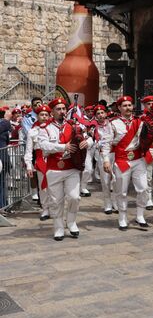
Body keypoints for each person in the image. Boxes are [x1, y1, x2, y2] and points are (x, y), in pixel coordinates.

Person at [38, 98, 92, 240]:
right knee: (56, 200)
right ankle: (58, 227)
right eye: (58, 109)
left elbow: (91, 137)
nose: (62, 111)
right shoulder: (45, 128)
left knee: (74, 197)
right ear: (52, 112)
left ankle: (72, 221)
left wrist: (87, 142)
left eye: (63, 109)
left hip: (71, 167)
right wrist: (63, 147)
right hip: (54, 169)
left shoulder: (74, 125)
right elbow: (43, 145)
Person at [101, 96, 153, 230]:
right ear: (119, 108)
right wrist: (106, 160)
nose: (128, 108)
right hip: (122, 161)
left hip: (138, 159)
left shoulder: (140, 121)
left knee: (143, 188)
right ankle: (122, 218)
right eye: (124, 106)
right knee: (122, 192)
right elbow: (106, 144)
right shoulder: (112, 123)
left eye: (130, 105)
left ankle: (140, 215)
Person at [23, 105, 51, 221]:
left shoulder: (53, 128)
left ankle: (56, 208)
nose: (44, 117)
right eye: (41, 115)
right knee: (43, 187)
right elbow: (29, 151)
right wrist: (29, 166)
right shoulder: (32, 132)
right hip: (40, 160)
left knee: (55, 187)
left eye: (46, 115)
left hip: (54, 159)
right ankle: (45, 209)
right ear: (37, 116)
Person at [92, 104, 117, 214]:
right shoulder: (93, 127)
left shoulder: (113, 124)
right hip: (103, 155)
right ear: (96, 116)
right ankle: (107, 204)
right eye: (98, 114)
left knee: (116, 180)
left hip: (116, 154)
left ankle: (116, 203)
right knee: (105, 180)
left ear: (106, 113)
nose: (101, 115)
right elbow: (93, 142)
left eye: (102, 113)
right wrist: (98, 143)